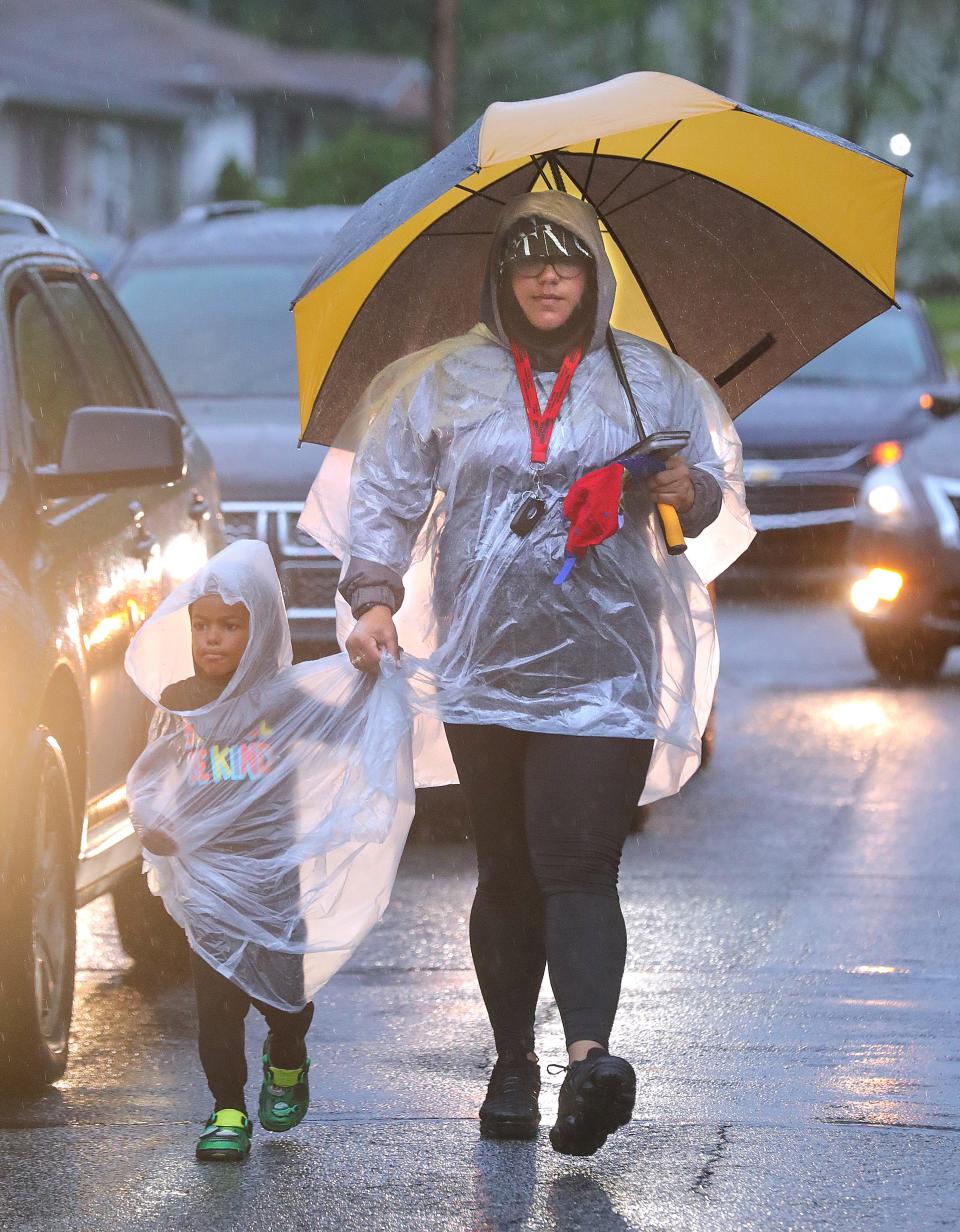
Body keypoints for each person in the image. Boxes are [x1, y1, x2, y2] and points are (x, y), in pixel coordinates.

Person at [310, 191, 752, 1156]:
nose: (548, 277)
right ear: (500, 275)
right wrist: (374, 599)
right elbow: (380, 498)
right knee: (506, 869)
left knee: (581, 863)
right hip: (484, 664)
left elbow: (710, 499)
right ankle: (513, 1059)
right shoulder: (442, 383)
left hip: (607, 668)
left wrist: (690, 488)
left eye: (567, 262)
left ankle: (589, 1062)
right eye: (528, 260)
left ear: (593, 277)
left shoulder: (650, 381)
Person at [124, 540, 418, 1162]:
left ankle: (287, 1056)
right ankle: (227, 1108)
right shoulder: (179, 703)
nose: (211, 639)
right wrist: (153, 822)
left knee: (285, 996)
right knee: (216, 1003)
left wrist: (374, 685)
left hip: (273, 876)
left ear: (258, 630)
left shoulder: (280, 699)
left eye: (230, 626)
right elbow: (151, 774)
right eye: (202, 625)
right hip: (208, 882)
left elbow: (336, 725)